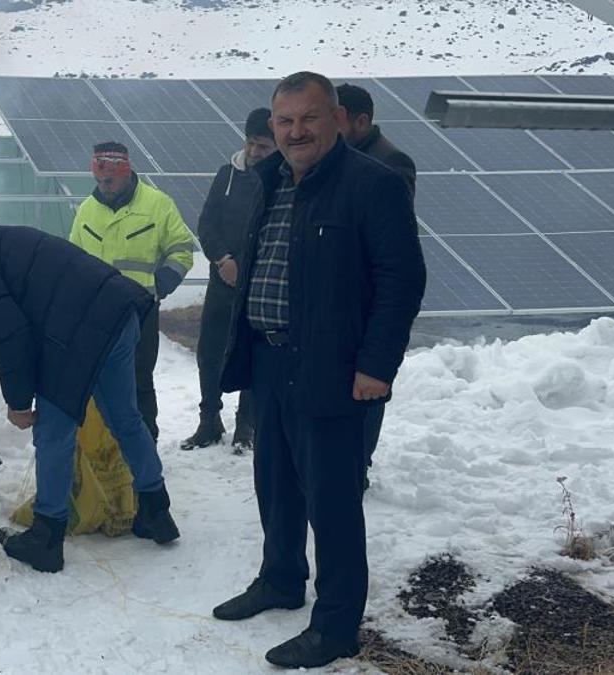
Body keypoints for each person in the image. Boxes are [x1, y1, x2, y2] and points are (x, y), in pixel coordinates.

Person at [211, 72, 426, 668]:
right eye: (285, 121)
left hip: (334, 367)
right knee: (274, 484)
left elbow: (402, 281)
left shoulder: (372, 185)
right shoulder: (268, 180)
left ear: (335, 118)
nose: (295, 131)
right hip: (269, 358)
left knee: (331, 501)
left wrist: (377, 365)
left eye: (308, 118)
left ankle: (335, 626)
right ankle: (280, 580)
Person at [0, 213, 180, 573]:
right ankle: (157, 511)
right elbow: (3, 319)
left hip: (76, 331)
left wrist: (17, 404)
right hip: (116, 311)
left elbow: (13, 336)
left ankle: (46, 537)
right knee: (124, 418)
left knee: (53, 433)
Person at [68, 143, 197, 441]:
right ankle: (109, 449)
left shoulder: (157, 204)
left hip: (140, 312)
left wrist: (162, 284)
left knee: (138, 382)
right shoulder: (87, 210)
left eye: (110, 180)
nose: (105, 186)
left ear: (126, 172)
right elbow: (73, 260)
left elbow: (181, 248)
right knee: (100, 381)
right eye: (100, 180)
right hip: (97, 315)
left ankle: (145, 445)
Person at [336, 82, 419, 488]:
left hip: (366, 303)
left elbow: (393, 255)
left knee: (366, 391)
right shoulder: (337, 159)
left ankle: (356, 468)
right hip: (341, 302)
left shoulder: (390, 164)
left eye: (335, 120)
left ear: (361, 121)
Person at [181, 108, 275, 454]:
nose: (253, 152)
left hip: (260, 283)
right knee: (210, 351)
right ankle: (209, 419)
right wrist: (222, 260)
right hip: (223, 278)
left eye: (262, 146)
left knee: (252, 351)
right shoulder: (227, 175)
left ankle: (246, 424)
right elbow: (207, 223)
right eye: (250, 144)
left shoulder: (281, 179)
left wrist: (251, 269)